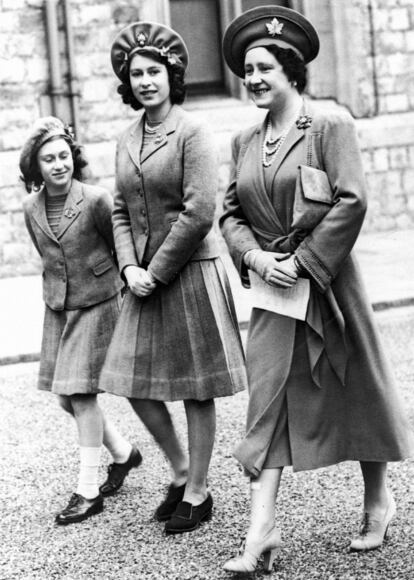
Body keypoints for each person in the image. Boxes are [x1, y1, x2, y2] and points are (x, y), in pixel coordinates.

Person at [219, 5, 413, 573]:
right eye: (246, 69)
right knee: (268, 398)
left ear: (291, 70)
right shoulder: (243, 141)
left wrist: (303, 261)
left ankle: (379, 499)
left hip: (327, 282)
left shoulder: (329, 126)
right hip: (273, 292)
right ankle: (261, 534)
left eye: (263, 68)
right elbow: (228, 215)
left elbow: (352, 199)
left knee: (355, 385)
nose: (252, 78)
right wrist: (255, 256)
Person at [99, 21, 247, 534]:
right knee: (130, 381)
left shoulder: (194, 132)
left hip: (187, 274)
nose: (145, 80)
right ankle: (181, 471)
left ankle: (200, 491)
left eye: (154, 71)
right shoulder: (125, 137)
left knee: (194, 389)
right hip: (140, 277)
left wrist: (155, 271)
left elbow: (199, 211)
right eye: (136, 73)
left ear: (172, 75)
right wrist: (128, 267)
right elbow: (119, 209)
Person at [20, 117, 142, 525]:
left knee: (82, 396)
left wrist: (125, 293)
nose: (59, 164)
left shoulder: (95, 199)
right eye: (49, 159)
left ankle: (88, 491)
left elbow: (119, 247)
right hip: (58, 307)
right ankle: (124, 454)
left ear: (73, 157)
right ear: (36, 166)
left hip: (97, 302)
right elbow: (47, 254)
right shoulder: (29, 208)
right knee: (63, 398)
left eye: (64, 156)